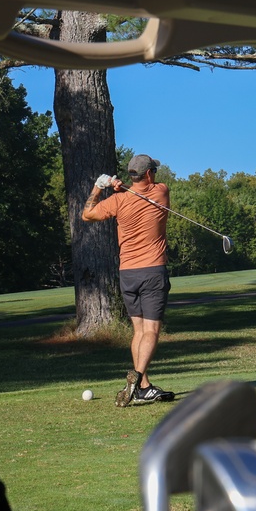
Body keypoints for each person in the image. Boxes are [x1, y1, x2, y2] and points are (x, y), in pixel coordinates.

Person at [82, 154, 176, 407]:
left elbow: (87, 214)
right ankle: (135, 378)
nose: (155, 174)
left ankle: (144, 387)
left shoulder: (119, 200)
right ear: (148, 174)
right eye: (154, 170)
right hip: (152, 272)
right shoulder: (161, 192)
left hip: (127, 274)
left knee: (138, 331)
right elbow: (146, 191)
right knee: (152, 331)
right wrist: (120, 186)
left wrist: (100, 187)